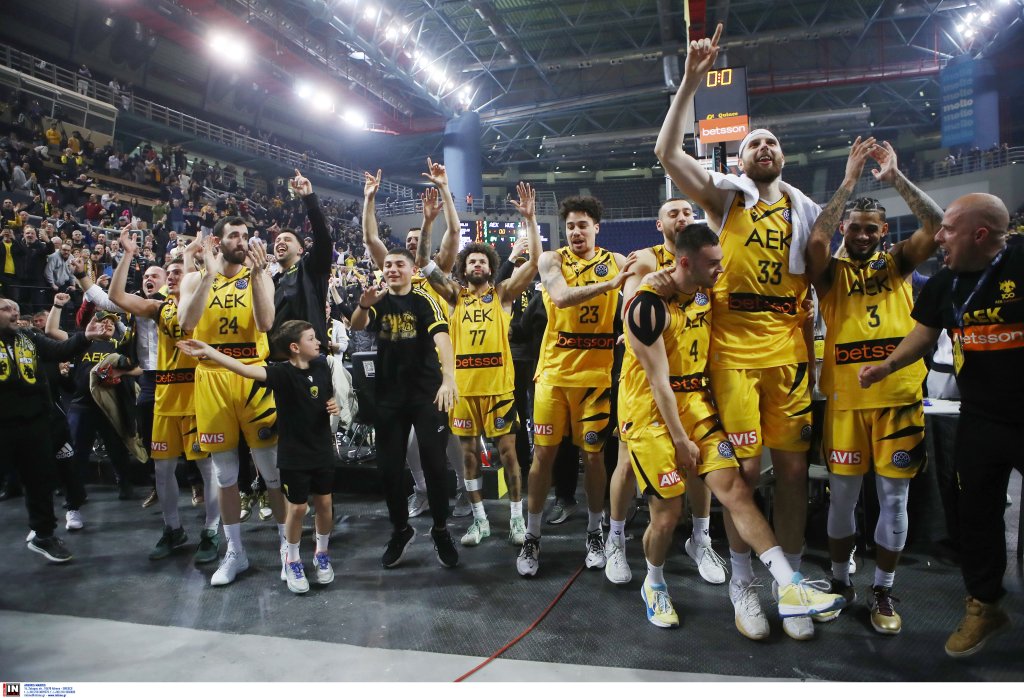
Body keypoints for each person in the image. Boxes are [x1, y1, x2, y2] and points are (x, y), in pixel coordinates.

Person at [654, 24, 823, 640]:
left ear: (784, 157)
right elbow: (667, 153)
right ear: (740, 158)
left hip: (790, 350)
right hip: (732, 353)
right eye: (753, 142)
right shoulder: (727, 199)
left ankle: (792, 585)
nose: (763, 147)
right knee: (745, 476)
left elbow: (824, 284)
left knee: (796, 474)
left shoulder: (805, 210)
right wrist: (691, 82)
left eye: (772, 141)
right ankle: (744, 583)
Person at [626, 223, 847, 630]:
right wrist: (681, 440)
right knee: (667, 514)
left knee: (737, 490)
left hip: (696, 403)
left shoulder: (704, 292)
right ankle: (653, 583)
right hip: (651, 413)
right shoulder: (647, 307)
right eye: (712, 263)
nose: (720, 270)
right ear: (685, 262)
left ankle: (789, 584)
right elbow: (658, 383)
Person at [859, 193, 1021, 658]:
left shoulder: (1020, 262)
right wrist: (886, 366)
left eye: (948, 229)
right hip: (981, 417)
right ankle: (984, 605)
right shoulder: (946, 282)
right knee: (975, 515)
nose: (940, 237)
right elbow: (924, 333)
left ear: (980, 234)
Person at [807, 139, 943, 634]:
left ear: (884, 231)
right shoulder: (829, 274)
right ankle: (840, 580)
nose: (862, 235)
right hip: (846, 401)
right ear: (845, 228)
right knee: (842, 500)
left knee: (894, 500)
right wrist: (848, 181)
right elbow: (815, 243)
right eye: (855, 227)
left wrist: (896, 179)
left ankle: (883, 587)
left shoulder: (898, 263)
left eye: (871, 228)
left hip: (899, 399)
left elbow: (937, 226)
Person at [604, 198, 725, 588]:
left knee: (700, 463)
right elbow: (631, 313)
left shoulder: (706, 266)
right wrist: (650, 287)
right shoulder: (645, 261)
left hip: (690, 386)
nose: (682, 217)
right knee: (626, 464)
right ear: (660, 224)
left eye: (687, 212)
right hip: (644, 384)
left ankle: (700, 539)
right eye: (673, 213)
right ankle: (615, 539)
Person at [516, 195, 634, 577]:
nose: (576, 232)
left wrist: (632, 328)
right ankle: (532, 536)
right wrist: (610, 285)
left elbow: (639, 295)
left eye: (583, 225)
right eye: (570, 226)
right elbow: (561, 297)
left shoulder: (617, 262)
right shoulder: (553, 260)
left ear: (596, 227)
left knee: (595, 458)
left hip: (595, 379)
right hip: (553, 376)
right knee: (543, 457)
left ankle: (594, 532)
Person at [418, 182, 541, 547]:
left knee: (509, 455)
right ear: (464, 267)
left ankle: (516, 519)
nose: (476, 264)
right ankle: (480, 520)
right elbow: (423, 263)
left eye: (482, 261)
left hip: (499, 389)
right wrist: (428, 222)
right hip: (464, 391)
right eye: (471, 261)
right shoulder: (453, 296)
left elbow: (534, 263)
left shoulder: (503, 295)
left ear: (490, 267)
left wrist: (531, 220)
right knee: (469, 457)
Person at [179, 320, 339, 594]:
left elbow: (327, 397)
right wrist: (210, 351)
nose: (318, 342)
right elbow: (242, 368)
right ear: (295, 347)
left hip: (321, 449)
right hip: (294, 455)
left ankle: (321, 554)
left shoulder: (322, 366)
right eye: (312, 338)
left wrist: (335, 404)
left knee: (325, 505)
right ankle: (292, 559)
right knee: (298, 509)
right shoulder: (281, 373)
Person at [177, 222, 284, 587]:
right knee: (225, 476)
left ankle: (287, 548)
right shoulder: (194, 280)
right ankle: (235, 552)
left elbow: (266, 323)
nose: (243, 241)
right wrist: (208, 274)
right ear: (217, 241)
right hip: (211, 378)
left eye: (245, 235)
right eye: (234, 235)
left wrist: (257, 276)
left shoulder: (260, 275)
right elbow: (186, 322)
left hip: (253, 375)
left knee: (271, 471)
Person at [108, 232, 222, 564]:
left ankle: (211, 530)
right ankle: (173, 528)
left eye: (177, 272)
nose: (171, 277)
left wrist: (196, 257)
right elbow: (116, 296)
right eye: (167, 273)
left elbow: (201, 278)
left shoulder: (204, 301)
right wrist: (127, 255)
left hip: (197, 395)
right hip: (165, 394)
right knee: (162, 469)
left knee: (207, 468)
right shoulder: (159, 309)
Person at [349, 247, 460, 569]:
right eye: (387, 265)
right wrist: (363, 304)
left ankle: (440, 530)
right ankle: (401, 529)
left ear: (412, 270)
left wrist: (449, 379)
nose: (392, 269)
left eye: (399, 264)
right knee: (388, 469)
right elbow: (358, 325)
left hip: (426, 395)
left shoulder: (423, 300)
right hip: (389, 398)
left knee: (435, 465)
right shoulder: (378, 300)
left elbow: (442, 338)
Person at [0, 296, 111, 562]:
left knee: (40, 481)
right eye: (6, 309)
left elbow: (60, 351)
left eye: (16, 308)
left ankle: (44, 535)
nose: (14, 312)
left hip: (35, 422)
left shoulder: (30, 337)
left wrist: (85, 337)